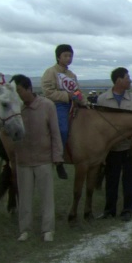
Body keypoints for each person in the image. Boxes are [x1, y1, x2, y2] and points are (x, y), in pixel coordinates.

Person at [11, 74, 62, 242]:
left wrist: (57, 156)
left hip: (43, 158)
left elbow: (55, 133)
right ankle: (24, 230)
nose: (17, 94)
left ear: (28, 89)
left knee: (46, 197)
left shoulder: (47, 105)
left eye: (18, 90)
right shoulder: (16, 108)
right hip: (23, 160)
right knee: (24, 198)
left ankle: (48, 230)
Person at [96, 68, 132, 222]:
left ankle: (128, 209)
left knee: (129, 180)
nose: (130, 80)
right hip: (111, 149)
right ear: (118, 80)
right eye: (127, 77)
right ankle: (109, 210)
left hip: (129, 148)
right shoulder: (102, 99)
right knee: (111, 180)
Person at [41, 44, 86, 180]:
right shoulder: (51, 72)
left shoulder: (72, 75)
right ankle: (58, 159)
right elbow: (48, 91)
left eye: (70, 56)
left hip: (73, 105)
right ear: (58, 57)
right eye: (65, 55)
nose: (68, 58)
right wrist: (67, 96)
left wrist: (84, 102)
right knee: (63, 130)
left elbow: (77, 92)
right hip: (57, 105)